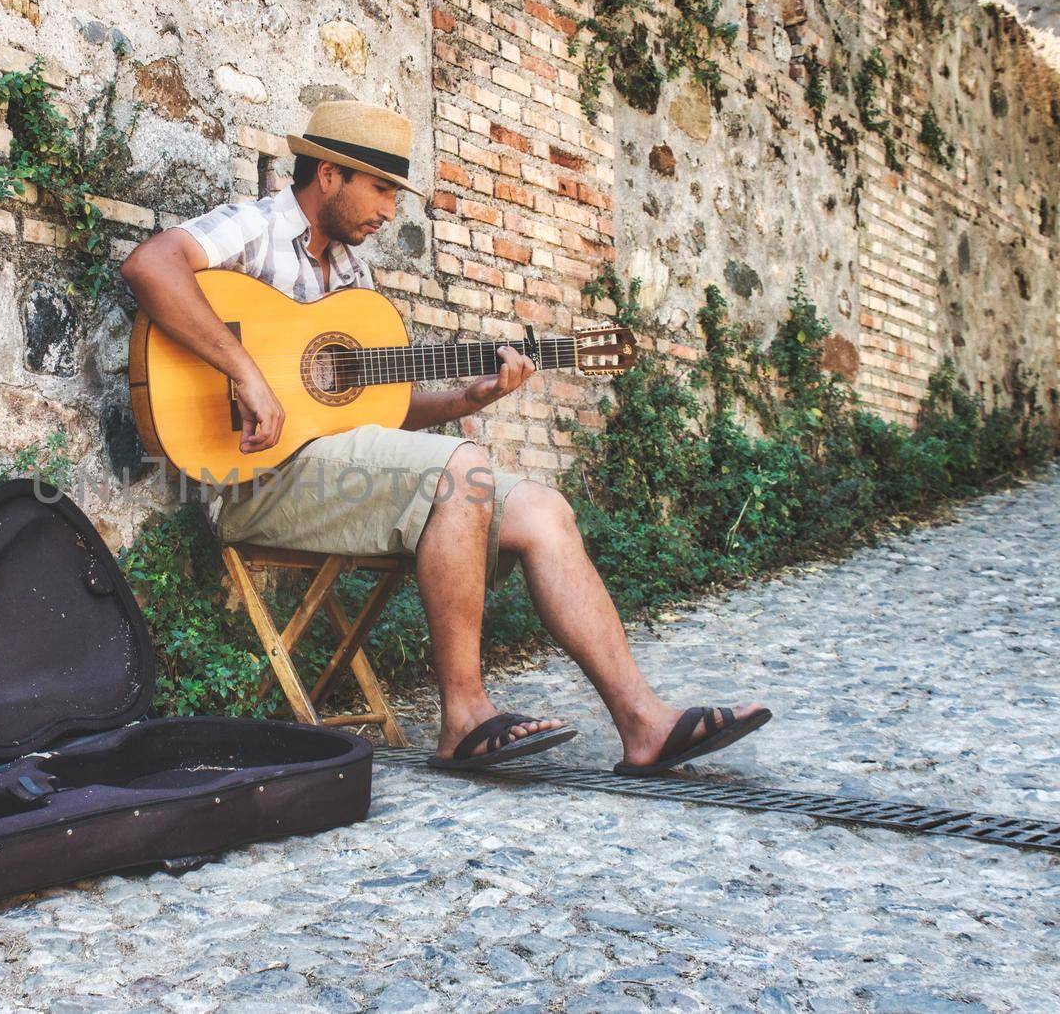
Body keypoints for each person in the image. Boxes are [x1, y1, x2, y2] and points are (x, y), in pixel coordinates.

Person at [119, 100, 771, 773]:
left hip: (335, 475)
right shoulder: (255, 228)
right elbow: (150, 266)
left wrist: (468, 396)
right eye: (381, 189)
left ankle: (645, 723)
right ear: (330, 174)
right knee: (461, 470)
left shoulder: (352, 279)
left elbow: (376, 419)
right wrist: (246, 374)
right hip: (252, 478)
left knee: (544, 511)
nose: (389, 210)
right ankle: (464, 717)